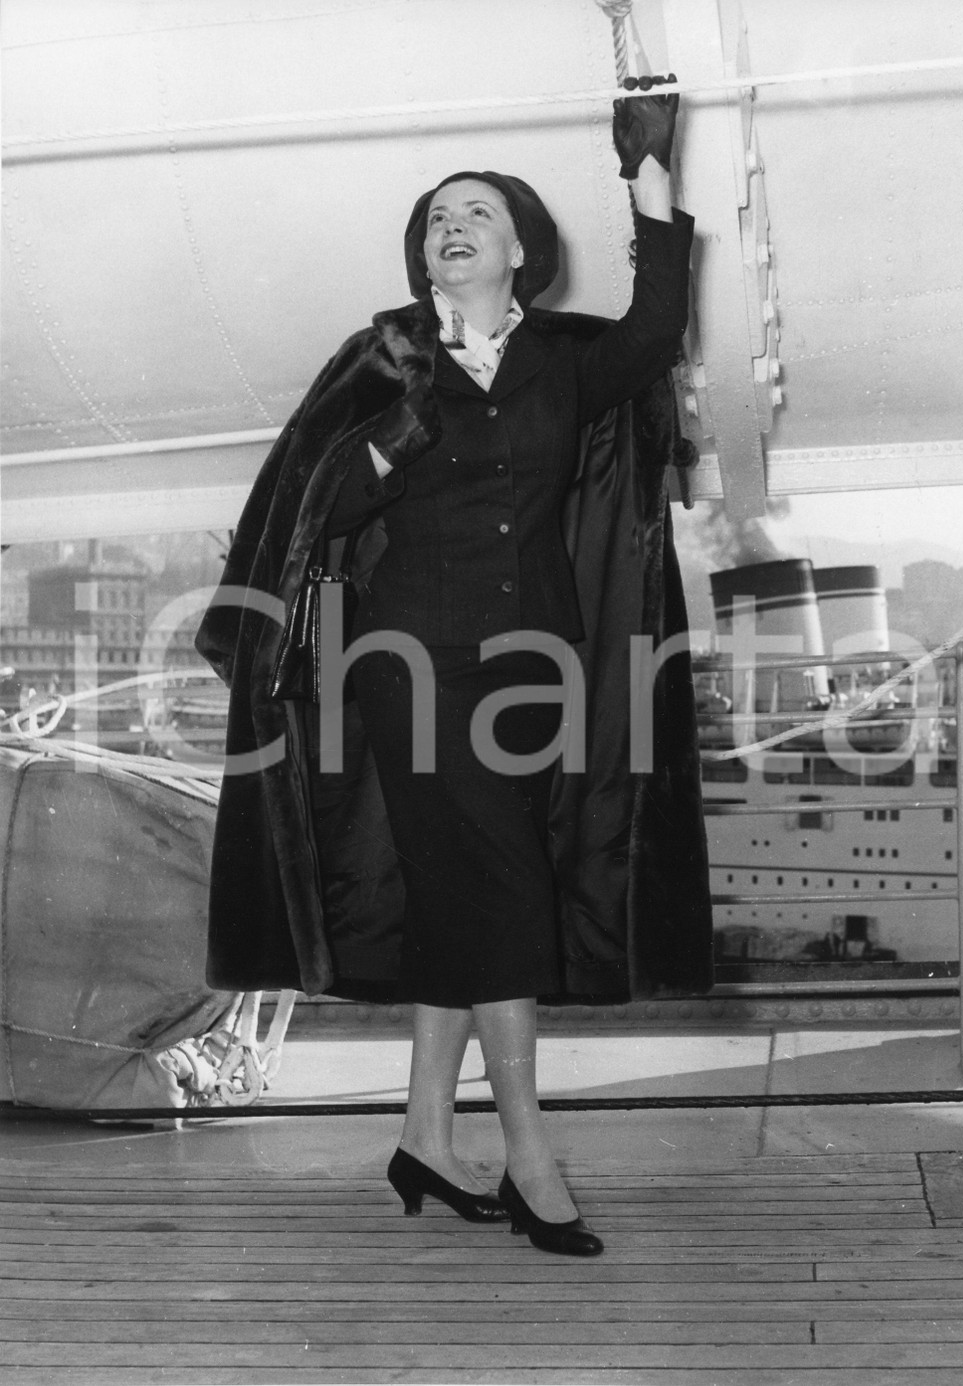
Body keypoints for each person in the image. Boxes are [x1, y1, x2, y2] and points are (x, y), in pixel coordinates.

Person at [196, 90, 713, 1258]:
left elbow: (656, 325)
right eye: (437, 217)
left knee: (463, 899)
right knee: (506, 896)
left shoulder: (560, 366)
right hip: (411, 666)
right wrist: (397, 435)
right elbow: (315, 503)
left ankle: (425, 1135)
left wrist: (648, 174)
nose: (453, 226)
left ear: (521, 248)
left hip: (536, 671)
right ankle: (530, 1154)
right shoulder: (385, 360)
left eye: (477, 213)